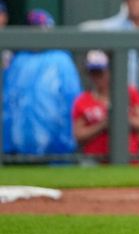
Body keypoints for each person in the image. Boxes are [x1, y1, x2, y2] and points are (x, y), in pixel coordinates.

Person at [2, 9, 81, 155]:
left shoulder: (61, 59)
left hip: (56, 148)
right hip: (18, 146)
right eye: (35, 29)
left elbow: (72, 102)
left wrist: (67, 140)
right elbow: (7, 103)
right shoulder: (18, 60)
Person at [72, 50, 139, 160]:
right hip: (95, 161)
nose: (97, 77)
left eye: (100, 73)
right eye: (93, 73)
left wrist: (119, 118)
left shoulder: (130, 93)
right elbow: (78, 135)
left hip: (129, 159)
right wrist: (102, 125)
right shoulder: (82, 100)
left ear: (109, 71)